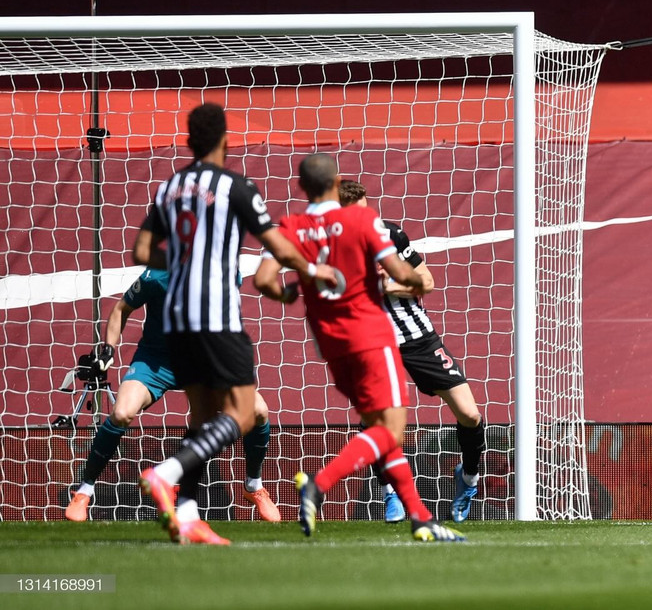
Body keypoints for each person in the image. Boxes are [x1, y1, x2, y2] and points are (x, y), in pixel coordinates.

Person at [132, 102, 331, 545]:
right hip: (216, 316)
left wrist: (183, 260)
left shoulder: (171, 188)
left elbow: (142, 251)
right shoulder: (236, 187)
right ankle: (166, 473)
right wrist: (314, 272)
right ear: (225, 140)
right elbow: (278, 245)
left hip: (175, 318)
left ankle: (187, 516)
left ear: (189, 141)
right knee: (243, 414)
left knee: (201, 419)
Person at [254, 153, 464, 542]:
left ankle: (419, 516)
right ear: (336, 184)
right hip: (370, 335)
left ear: (303, 187)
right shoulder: (362, 220)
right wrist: (414, 284)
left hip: (331, 344)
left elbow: (264, 280)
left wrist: (289, 293)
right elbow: (403, 272)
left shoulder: (291, 226)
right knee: (390, 431)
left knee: (381, 428)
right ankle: (318, 484)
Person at [64, 267, 280, 523]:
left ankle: (253, 486)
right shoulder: (158, 274)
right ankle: (84, 490)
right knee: (122, 413)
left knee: (258, 410)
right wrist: (108, 348)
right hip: (157, 361)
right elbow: (122, 308)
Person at [338, 179, 486, 524]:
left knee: (470, 414)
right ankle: (391, 492)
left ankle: (468, 479)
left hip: (418, 338)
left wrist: (389, 282)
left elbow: (427, 282)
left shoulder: (391, 235)